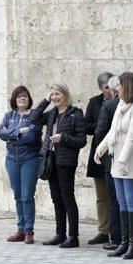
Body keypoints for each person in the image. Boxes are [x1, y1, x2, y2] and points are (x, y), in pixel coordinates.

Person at [95, 72, 133, 259]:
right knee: (121, 201)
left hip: (130, 161)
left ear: (128, 85)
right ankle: (124, 241)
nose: (116, 88)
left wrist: (123, 159)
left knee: (132, 199)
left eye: (119, 85)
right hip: (117, 159)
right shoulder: (120, 104)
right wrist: (100, 150)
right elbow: (112, 131)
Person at [31, 82, 87, 248]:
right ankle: (60, 233)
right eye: (53, 94)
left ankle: (73, 236)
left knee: (67, 197)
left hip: (66, 161)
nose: (55, 97)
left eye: (58, 94)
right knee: (56, 198)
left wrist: (63, 138)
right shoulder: (52, 113)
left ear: (65, 95)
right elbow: (34, 118)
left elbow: (82, 140)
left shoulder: (75, 114)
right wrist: (45, 101)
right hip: (51, 159)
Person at [0, 85, 42, 244]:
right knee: (17, 195)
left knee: (27, 195)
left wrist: (12, 136)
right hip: (12, 159)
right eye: (19, 96)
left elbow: (31, 136)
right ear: (14, 100)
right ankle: (20, 230)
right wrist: (19, 132)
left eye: (25, 96)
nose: (23, 98)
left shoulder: (34, 116)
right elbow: (0, 133)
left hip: (30, 158)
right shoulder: (9, 115)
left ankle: (29, 231)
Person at [85, 72, 114, 246]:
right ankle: (104, 230)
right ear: (100, 88)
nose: (109, 91)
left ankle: (118, 231)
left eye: (111, 86)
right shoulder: (94, 102)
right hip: (99, 154)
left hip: (115, 153)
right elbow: (86, 125)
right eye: (106, 88)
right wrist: (102, 126)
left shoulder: (120, 102)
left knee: (116, 197)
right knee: (102, 196)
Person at [94, 75, 121, 250]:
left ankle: (117, 238)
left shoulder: (110, 104)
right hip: (128, 159)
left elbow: (101, 130)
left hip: (112, 157)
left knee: (115, 199)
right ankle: (131, 238)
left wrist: (101, 152)